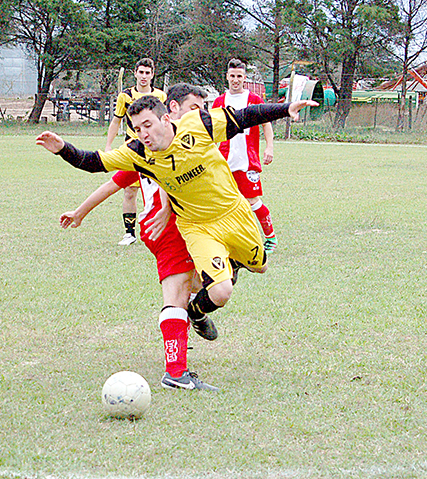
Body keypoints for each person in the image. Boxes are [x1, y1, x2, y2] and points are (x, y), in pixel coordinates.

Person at [37, 92, 316, 343]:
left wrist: (286, 108)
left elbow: (245, 117)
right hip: (197, 227)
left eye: (148, 125)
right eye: (137, 129)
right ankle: (195, 312)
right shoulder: (139, 153)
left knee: (261, 266)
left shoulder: (198, 125)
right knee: (220, 292)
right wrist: (63, 149)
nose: (143, 133)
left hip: (234, 214)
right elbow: (93, 162)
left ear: (166, 118)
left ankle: (227, 270)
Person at [59, 84, 219, 391]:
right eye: (193, 108)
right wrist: (80, 212)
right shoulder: (145, 152)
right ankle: (177, 370)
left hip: (194, 224)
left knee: (215, 278)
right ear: (172, 111)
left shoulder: (191, 141)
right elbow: (112, 182)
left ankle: (195, 313)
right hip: (166, 228)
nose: (198, 115)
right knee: (179, 292)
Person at [213, 59, 277, 253]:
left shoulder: (254, 100)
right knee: (225, 202)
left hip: (248, 161)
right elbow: (212, 130)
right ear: (227, 77)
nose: (235, 80)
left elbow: (266, 123)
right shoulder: (219, 101)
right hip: (224, 161)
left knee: (252, 201)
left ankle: (270, 237)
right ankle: (230, 240)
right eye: (232, 76)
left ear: (245, 78)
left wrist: (269, 147)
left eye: (239, 76)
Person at [105, 58, 166, 246]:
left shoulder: (161, 96)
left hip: (154, 150)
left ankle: (160, 230)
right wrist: (108, 146)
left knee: (160, 191)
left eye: (148, 73)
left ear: (152, 74)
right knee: (130, 191)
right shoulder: (125, 96)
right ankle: (129, 233)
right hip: (132, 150)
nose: (144, 76)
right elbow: (116, 121)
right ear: (135, 73)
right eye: (141, 72)